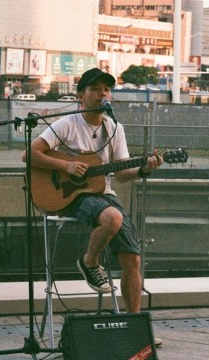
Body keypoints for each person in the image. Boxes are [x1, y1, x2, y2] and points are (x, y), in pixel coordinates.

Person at [25, 67, 163, 316]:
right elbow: (29, 153)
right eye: (95, 89)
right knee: (113, 217)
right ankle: (89, 261)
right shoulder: (66, 124)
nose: (103, 94)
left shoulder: (114, 128)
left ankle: (134, 325)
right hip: (71, 195)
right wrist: (66, 165)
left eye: (107, 89)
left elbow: (121, 174)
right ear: (81, 96)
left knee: (133, 259)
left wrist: (143, 170)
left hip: (104, 194)